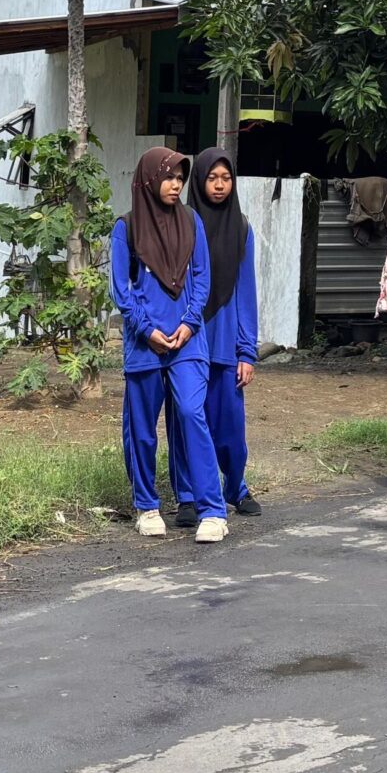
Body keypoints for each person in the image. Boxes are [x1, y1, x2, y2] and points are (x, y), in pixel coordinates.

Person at [112, 147, 227, 542]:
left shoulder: (191, 221)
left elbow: (202, 278)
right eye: (168, 177)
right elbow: (121, 290)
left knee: (193, 414)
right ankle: (147, 506)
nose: (176, 184)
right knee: (143, 429)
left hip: (186, 341)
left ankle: (213, 511)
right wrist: (147, 330)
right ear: (148, 180)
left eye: (180, 178)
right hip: (145, 343)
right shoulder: (126, 228)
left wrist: (190, 324)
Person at [170, 147, 261, 523]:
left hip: (225, 342)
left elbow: (246, 293)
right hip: (187, 341)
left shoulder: (241, 228)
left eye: (226, 178)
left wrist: (247, 351)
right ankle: (188, 497)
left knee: (229, 427)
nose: (220, 185)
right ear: (199, 181)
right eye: (212, 178)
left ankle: (235, 486)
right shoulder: (182, 225)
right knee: (186, 419)